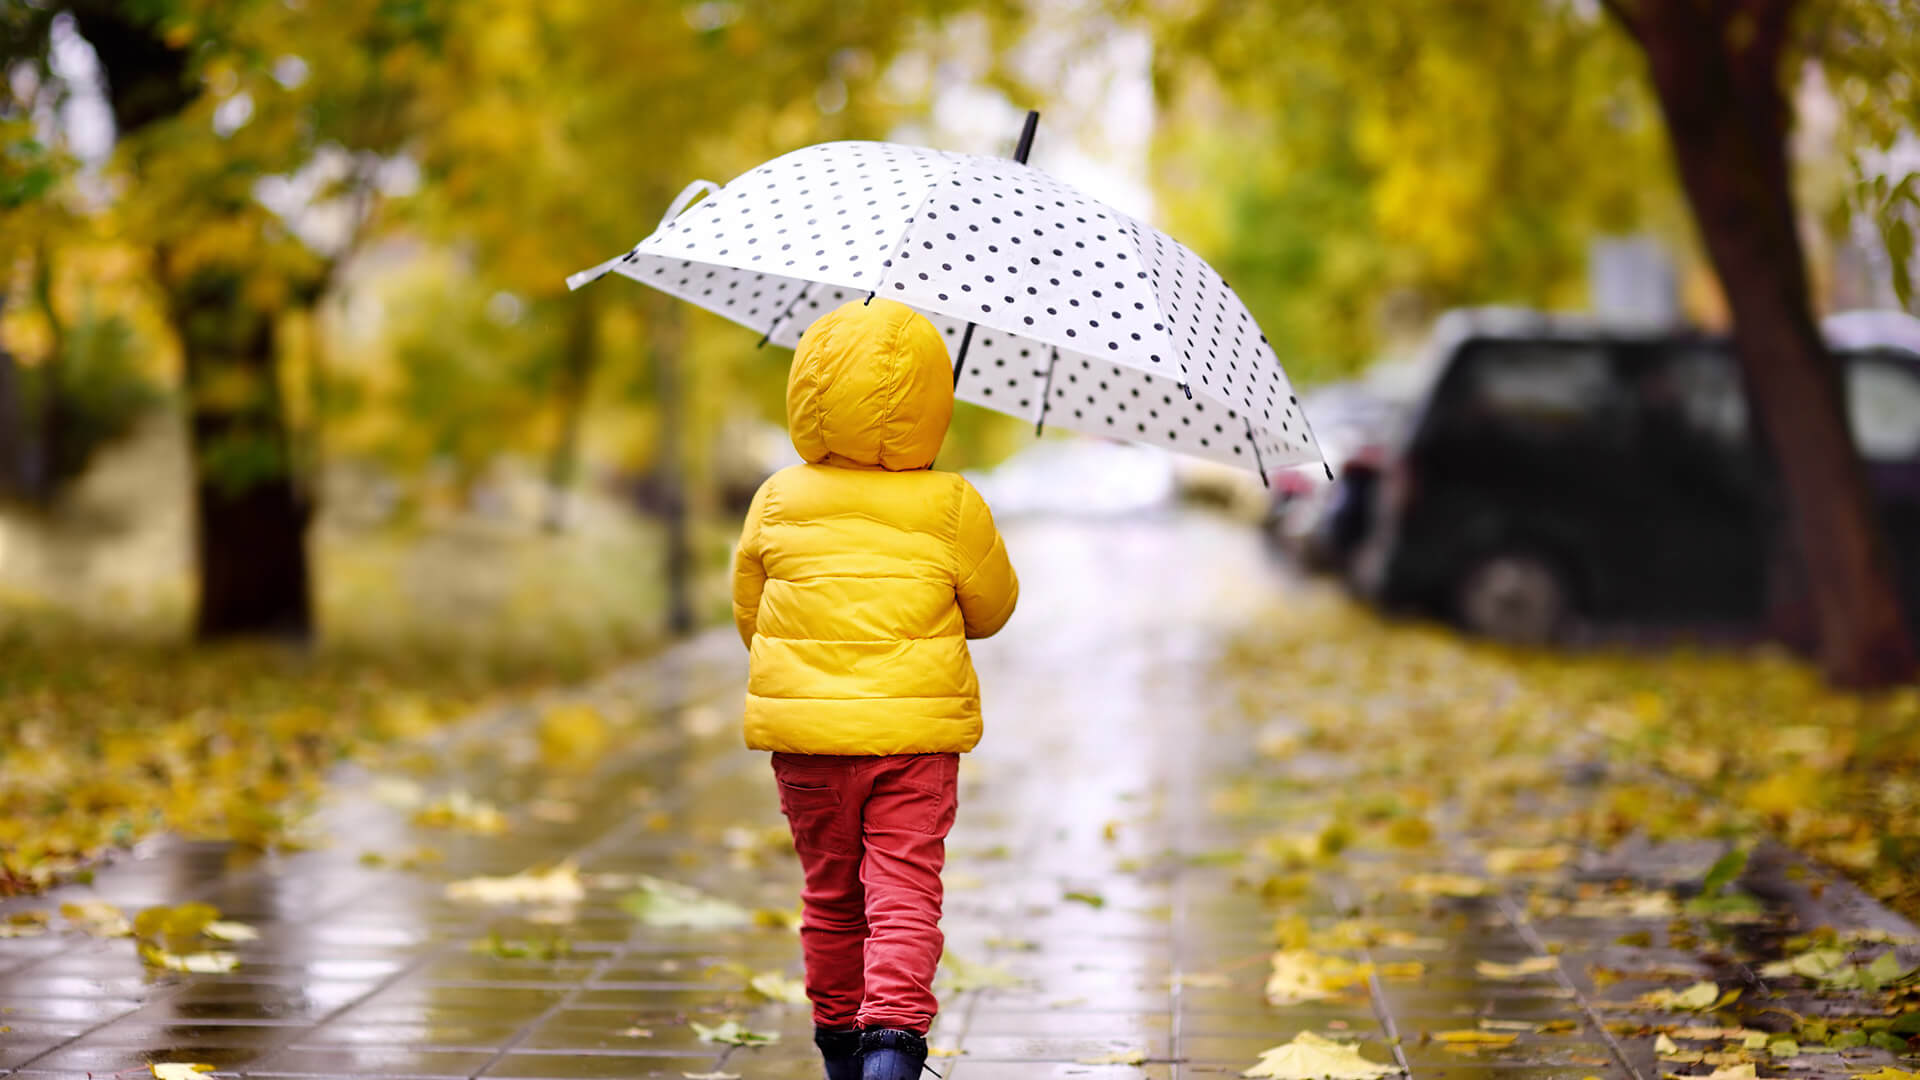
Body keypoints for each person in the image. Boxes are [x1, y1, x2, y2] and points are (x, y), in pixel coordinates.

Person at [731, 298, 1020, 1080]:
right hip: (914, 749)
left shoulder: (778, 498)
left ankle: (838, 1050)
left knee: (831, 897)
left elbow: (752, 614)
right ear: (932, 402)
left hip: (809, 745)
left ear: (809, 391)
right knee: (903, 894)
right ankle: (891, 1050)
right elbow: (992, 611)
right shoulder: (952, 504)